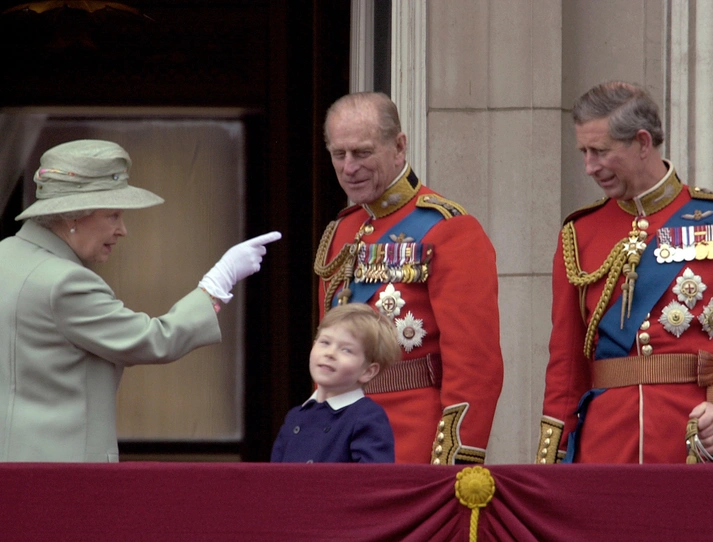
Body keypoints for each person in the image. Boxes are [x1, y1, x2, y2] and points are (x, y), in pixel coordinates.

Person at [0, 139, 281, 462]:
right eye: (113, 215)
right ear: (72, 216)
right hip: (63, 475)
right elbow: (154, 340)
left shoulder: (5, 255)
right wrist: (216, 285)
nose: (122, 230)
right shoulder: (64, 282)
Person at [538, 81, 713, 464]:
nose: (589, 167)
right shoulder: (580, 233)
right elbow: (566, 365)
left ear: (642, 143)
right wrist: (553, 460)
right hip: (604, 445)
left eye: (600, 152)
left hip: (698, 440)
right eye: (584, 152)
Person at [314, 92, 504, 464]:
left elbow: (474, 366)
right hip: (338, 439)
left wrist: (453, 460)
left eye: (363, 153)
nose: (349, 168)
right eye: (340, 155)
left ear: (399, 146)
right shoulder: (342, 230)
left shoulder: (448, 229)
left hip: (409, 443)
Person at [271, 303, 399, 463]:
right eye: (325, 342)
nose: (330, 353)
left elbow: (373, 482)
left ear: (367, 371)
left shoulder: (367, 417)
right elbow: (274, 478)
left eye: (346, 350)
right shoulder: (295, 416)